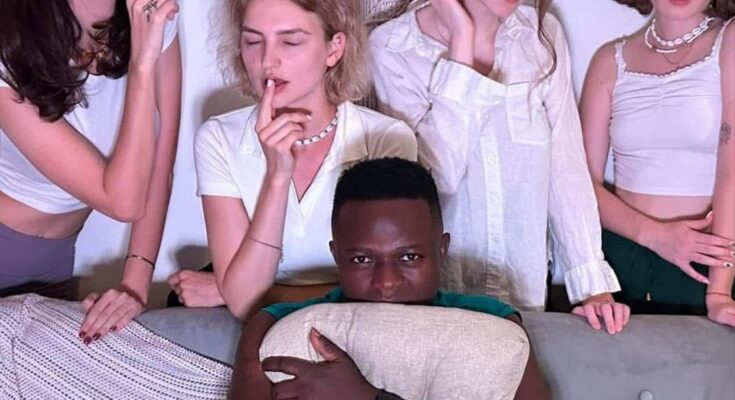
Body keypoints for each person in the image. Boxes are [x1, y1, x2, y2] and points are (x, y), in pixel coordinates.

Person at [369, 0, 629, 333]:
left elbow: (566, 168)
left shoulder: (540, 35)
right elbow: (434, 183)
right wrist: (464, 41)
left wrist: (592, 287)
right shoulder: (393, 46)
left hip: (526, 302)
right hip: (439, 308)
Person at [170, 0, 417, 319]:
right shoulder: (218, 138)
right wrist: (277, 176)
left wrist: (230, 291)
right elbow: (245, 304)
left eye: (290, 41)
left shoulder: (387, 139)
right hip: (264, 328)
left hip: (360, 325)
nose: (267, 61)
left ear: (334, 49)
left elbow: (388, 291)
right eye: (253, 41)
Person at [230, 157, 551, 400]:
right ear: (336, 255)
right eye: (362, 259)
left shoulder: (491, 322)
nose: (386, 282)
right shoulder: (280, 326)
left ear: (442, 250)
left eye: (409, 257)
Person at [0, 0, 181, 342]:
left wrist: (135, 284)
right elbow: (123, 202)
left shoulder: (152, 15)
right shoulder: (10, 37)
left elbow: (161, 163)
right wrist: (142, 64)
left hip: (54, 266)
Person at [580, 0, 734, 326]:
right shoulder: (609, 60)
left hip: (708, 262)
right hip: (619, 261)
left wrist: (719, 292)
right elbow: (579, 185)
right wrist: (656, 236)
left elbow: (731, 172)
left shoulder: (730, 41)